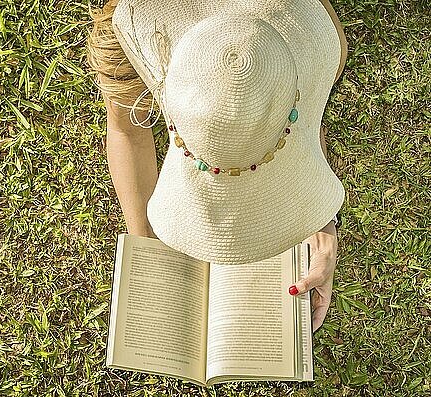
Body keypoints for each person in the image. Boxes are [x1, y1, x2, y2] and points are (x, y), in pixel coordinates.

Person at [86, 0, 348, 332]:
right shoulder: (128, 40)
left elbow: (307, 122)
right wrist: (147, 250)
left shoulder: (317, 38)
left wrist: (322, 225)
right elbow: (126, 130)